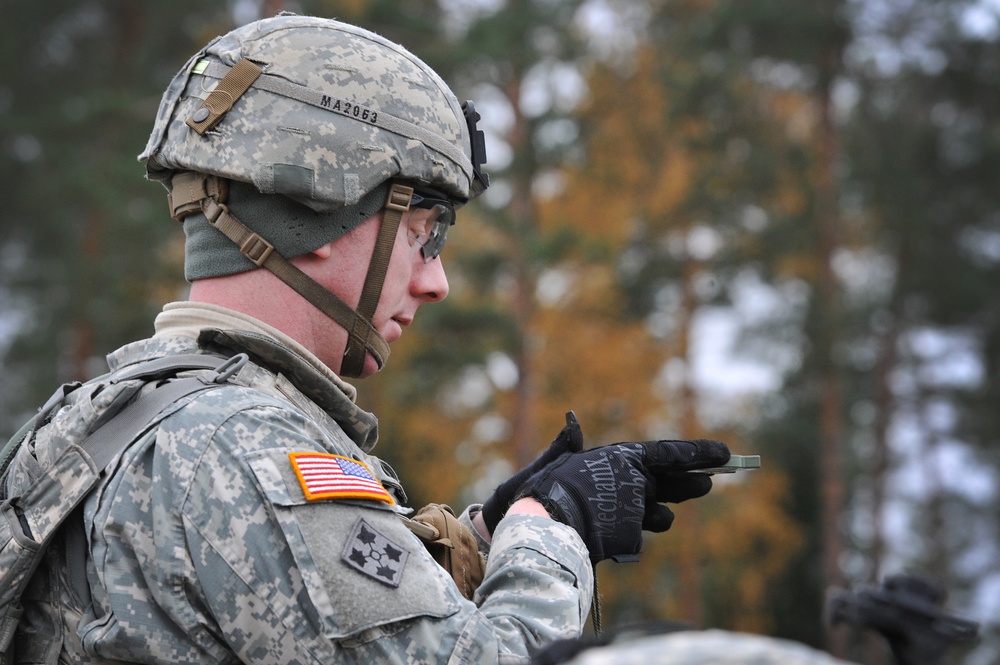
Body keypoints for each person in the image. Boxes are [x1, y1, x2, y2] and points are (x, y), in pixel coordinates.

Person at [6, 13, 731, 664]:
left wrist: (486, 534)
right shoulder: (246, 450)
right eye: (422, 234)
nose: (436, 281)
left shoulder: (106, 418)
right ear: (318, 212)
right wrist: (551, 529)